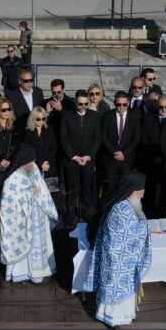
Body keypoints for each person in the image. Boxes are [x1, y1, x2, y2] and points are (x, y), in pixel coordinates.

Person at [82, 173, 151, 330]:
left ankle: (125, 315)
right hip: (118, 259)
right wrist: (143, 225)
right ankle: (110, 318)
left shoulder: (130, 204)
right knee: (113, 288)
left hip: (127, 258)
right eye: (141, 190)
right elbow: (124, 235)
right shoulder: (121, 209)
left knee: (124, 290)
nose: (143, 193)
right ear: (131, 190)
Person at [0, 146, 58, 284]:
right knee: (23, 244)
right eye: (31, 160)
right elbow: (8, 201)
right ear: (24, 160)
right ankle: (21, 274)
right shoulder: (12, 177)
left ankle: (41, 271)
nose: (34, 163)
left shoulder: (33, 168)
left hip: (38, 217)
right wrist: (29, 191)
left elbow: (42, 188)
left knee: (39, 245)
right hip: (22, 220)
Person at [59, 90, 101, 228]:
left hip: (88, 160)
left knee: (87, 190)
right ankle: (71, 219)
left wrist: (89, 156)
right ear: (75, 102)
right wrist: (75, 157)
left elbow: (97, 139)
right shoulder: (66, 116)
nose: (83, 106)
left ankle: (86, 217)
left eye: (85, 104)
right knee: (71, 190)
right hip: (71, 160)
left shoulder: (95, 116)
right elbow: (63, 138)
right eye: (80, 104)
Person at [101, 91, 141, 199]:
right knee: (109, 189)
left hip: (127, 159)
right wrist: (115, 152)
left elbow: (136, 138)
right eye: (119, 104)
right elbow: (104, 138)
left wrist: (124, 153)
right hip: (111, 159)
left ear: (128, 103)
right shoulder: (107, 116)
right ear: (114, 103)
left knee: (125, 189)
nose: (121, 107)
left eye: (124, 104)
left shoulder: (134, 117)